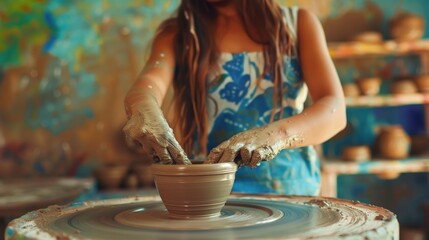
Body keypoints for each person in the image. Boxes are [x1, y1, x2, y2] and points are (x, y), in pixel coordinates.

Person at [123, 0, 346, 196]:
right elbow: (147, 86)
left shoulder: (297, 24)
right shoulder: (178, 34)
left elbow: (334, 108)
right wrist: (143, 108)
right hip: (208, 192)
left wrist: (276, 135)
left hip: (290, 189)